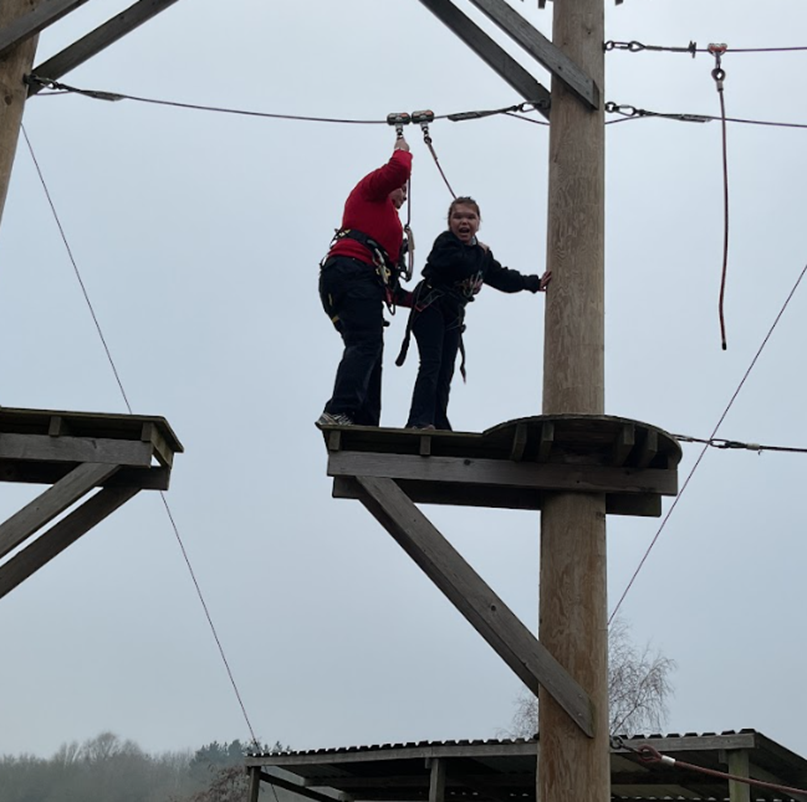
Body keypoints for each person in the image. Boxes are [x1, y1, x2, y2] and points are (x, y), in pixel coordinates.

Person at [398, 196, 550, 431]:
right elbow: (459, 264)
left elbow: (502, 278)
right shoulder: (446, 243)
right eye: (458, 217)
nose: (464, 222)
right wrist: (479, 252)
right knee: (432, 363)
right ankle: (418, 420)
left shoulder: (480, 255)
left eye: (470, 217)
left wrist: (533, 283)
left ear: (479, 222)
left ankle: (437, 420)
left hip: (452, 315)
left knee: (446, 368)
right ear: (449, 222)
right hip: (430, 307)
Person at [317, 135, 413, 427]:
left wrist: (422, 300)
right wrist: (402, 150)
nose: (405, 194)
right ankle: (340, 410)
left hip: (355, 278)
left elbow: (390, 290)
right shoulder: (369, 193)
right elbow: (397, 170)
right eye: (403, 189)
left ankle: (365, 421)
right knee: (366, 343)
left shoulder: (386, 229)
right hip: (352, 272)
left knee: (371, 346)